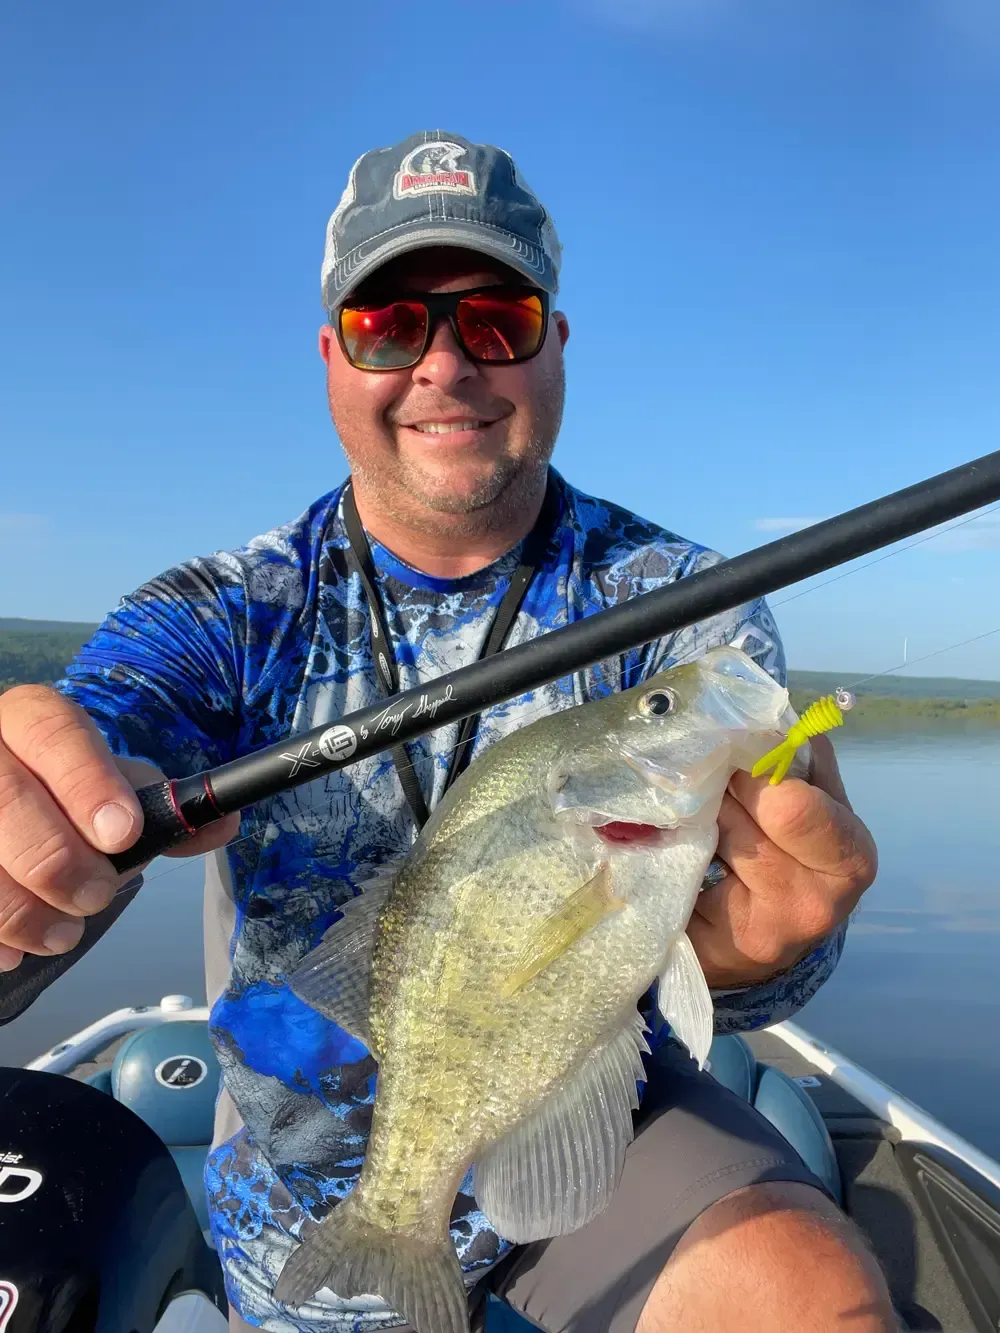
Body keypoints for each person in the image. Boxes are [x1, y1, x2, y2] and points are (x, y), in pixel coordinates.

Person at [0, 131, 893, 1332]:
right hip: (301, 1179)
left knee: (810, 1297)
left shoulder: (686, 608)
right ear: (332, 357)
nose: (443, 365)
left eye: (493, 320)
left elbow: (752, 973)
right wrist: (39, 815)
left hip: (599, 1120)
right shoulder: (224, 612)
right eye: (388, 325)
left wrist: (768, 954)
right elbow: (96, 739)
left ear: (554, 345)